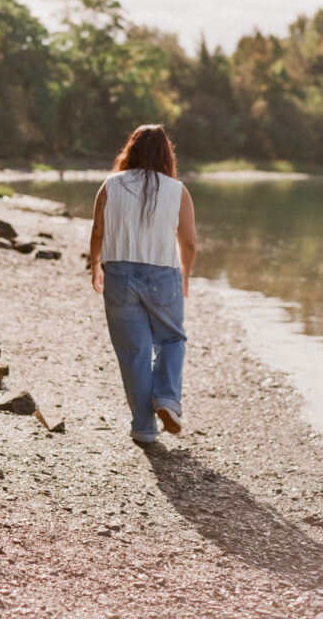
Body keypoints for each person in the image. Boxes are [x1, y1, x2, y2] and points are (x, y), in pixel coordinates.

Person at [90, 124, 197, 444]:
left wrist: (96, 265)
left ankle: (144, 428)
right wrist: (186, 273)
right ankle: (166, 398)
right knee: (171, 339)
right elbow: (189, 241)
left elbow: (98, 231)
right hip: (162, 275)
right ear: (167, 154)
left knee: (133, 352)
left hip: (119, 275)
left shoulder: (111, 185)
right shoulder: (177, 190)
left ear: (130, 150)